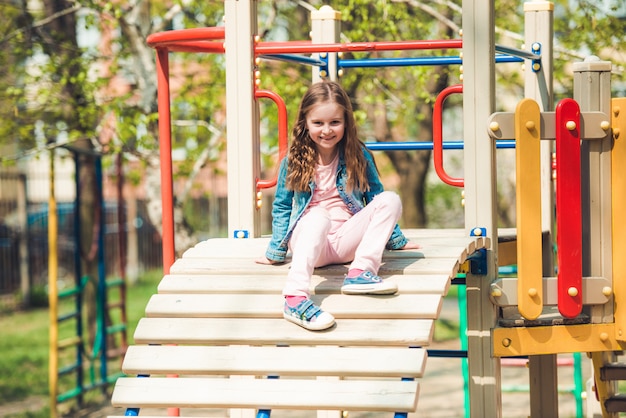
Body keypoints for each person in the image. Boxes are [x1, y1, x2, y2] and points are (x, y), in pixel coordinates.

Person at [256, 80, 420, 331]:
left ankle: (360, 273)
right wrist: (275, 252)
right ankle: (295, 298)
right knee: (318, 216)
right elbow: (282, 207)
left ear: (346, 122)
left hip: (346, 243)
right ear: (305, 123)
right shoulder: (293, 161)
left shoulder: (359, 155)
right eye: (318, 123)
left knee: (390, 198)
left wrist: (395, 239)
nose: (327, 130)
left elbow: (374, 197)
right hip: (311, 242)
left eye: (335, 122)